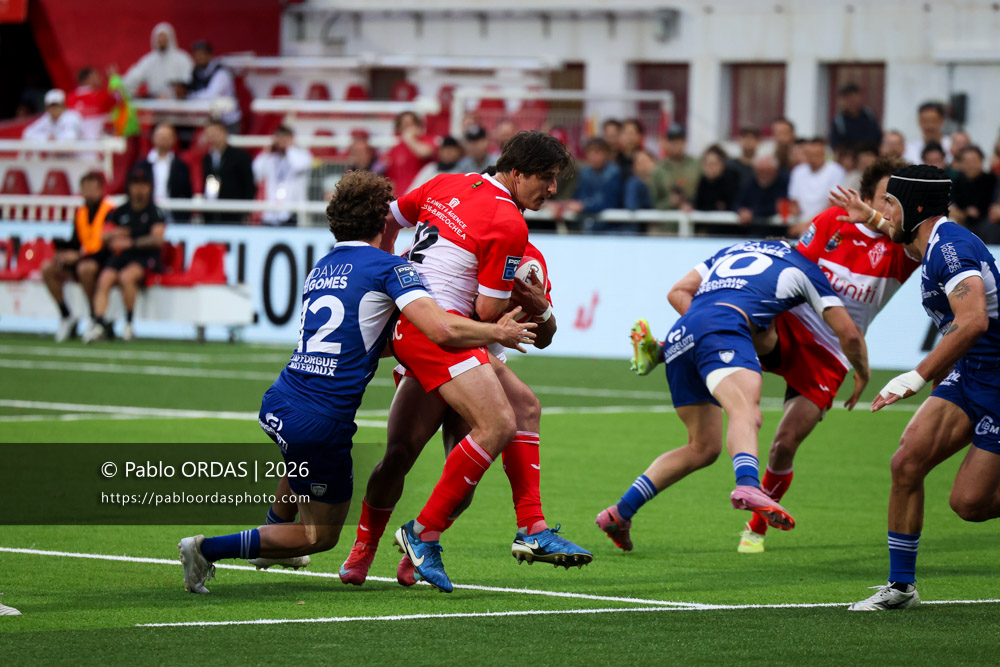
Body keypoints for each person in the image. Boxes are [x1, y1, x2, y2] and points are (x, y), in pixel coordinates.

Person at [177, 171, 535, 594]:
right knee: (320, 537)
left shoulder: (323, 266)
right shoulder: (390, 269)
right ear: (382, 222)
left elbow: (364, 338)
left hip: (280, 400)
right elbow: (440, 331)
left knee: (300, 461)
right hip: (320, 422)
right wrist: (498, 333)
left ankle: (273, 534)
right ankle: (206, 549)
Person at [372, 131, 572, 593]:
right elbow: (485, 313)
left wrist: (383, 275)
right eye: (546, 178)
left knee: (517, 416)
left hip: (448, 340)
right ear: (517, 173)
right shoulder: (508, 226)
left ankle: (526, 528)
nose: (553, 189)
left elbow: (390, 217)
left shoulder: (449, 185)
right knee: (427, 446)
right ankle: (402, 540)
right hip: (443, 338)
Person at [338, 238, 592, 587]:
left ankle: (422, 541)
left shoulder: (527, 260)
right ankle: (364, 547)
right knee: (398, 455)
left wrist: (543, 309)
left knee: (464, 489)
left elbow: (544, 336)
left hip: (480, 368)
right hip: (435, 357)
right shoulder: (447, 244)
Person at [596, 239, 869, 552]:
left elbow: (677, 292)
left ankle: (620, 513)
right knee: (746, 412)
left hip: (682, 333)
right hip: (725, 327)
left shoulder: (731, 251)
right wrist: (863, 370)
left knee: (702, 447)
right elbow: (848, 333)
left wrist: (701, 326)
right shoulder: (802, 266)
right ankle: (748, 485)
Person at [736, 156, 916, 553]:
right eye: (886, 197)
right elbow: (792, 269)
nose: (891, 206)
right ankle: (678, 356)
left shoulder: (900, 250)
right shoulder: (833, 220)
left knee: (784, 443)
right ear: (866, 194)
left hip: (834, 351)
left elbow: (916, 240)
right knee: (746, 319)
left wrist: (873, 218)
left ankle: (757, 525)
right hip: (791, 325)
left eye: (896, 200)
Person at [848, 164, 1000, 611]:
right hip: (971, 371)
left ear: (914, 207)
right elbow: (906, 240)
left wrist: (916, 376)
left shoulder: (951, 248)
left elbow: (974, 320)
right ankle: (900, 588)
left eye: (889, 204)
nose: (885, 212)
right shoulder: (931, 242)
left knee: (969, 504)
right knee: (907, 462)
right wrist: (872, 219)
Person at [83, 164, 165, 343]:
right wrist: (114, 235)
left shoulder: (155, 211)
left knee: (127, 277)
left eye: (143, 184)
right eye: (135, 184)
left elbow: (157, 238)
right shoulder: (120, 211)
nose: (139, 188)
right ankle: (98, 322)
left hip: (144, 257)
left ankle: (128, 323)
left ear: (150, 187)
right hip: (122, 256)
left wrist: (132, 242)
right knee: (105, 278)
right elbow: (104, 236)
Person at [41, 172, 114, 342]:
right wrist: (65, 252)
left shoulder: (109, 211)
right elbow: (76, 241)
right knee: (48, 268)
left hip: (102, 259)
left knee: (85, 269)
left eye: (92, 187)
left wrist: (78, 256)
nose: (88, 192)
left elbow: (107, 244)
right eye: (85, 188)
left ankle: (95, 317)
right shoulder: (81, 212)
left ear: (100, 189)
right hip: (84, 257)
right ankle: (66, 315)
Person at [251, 125, 313, 227]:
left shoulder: (302, 155)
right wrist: (267, 152)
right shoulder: (271, 158)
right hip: (271, 212)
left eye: (285, 138)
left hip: (292, 212)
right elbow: (257, 171)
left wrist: (289, 148)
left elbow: (298, 165)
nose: (281, 142)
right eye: (279, 138)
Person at [200, 120, 255, 223]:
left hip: (234, 212)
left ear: (225, 133)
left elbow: (249, 185)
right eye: (210, 134)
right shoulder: (207, 158)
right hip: (212, 212)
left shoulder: (240, 156)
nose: (213, 137)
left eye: (216, 133)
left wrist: (246, 211)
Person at [565, 137, 623, 231]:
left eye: (598, 152)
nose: (594, 156)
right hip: (586, 223)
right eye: (590, 152)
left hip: (609, 227)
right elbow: (579, 196)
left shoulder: (614, 173)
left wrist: (584, 205)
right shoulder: (584, 173)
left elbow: (609, 201)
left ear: (606, 154)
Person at [788, 137, 846, 231]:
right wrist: (797, 222)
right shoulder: (798, 171)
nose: (813, 157)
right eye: (809, 154)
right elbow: (794, 202)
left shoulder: (836, 170)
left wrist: (810, 225)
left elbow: (833, 204)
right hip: (802, 225)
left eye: (816, 154)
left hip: (826, 224)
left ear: (823, 153)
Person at [122, 23, 193, 99]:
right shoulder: (148, 61)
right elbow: (131, 80)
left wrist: (173, 94)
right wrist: (118, 83)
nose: (162, 40)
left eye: (164, 37)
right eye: (160, 37)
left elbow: (190, 83)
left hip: (180, 106)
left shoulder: (183, 59)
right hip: (156, 105)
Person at [184, 41, 241, 133]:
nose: (199, 58)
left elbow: (211, 96)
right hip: (208, 121)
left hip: (228, 122)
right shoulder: (196, 72)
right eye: (196, 55)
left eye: (202, 54)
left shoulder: (221, 72)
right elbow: (188, 90)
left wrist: (192, 96)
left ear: (210, 55)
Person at [143, 123, 193, 222]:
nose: (163, 139)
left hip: (173, 216)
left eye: (167, 136)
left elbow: (187, 192)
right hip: (147, 215)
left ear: (174, 139)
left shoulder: (181, 166)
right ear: (153, 138)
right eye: (161, 136)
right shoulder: (143, 165)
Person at [950, 145, 998, 238]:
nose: (971, 165)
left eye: (974, 161)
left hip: (988, 221)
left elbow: (995, 203)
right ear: (961, 163)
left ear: (981, 161)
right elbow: (953, 205)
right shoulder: (956, 182)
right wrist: (963, 212)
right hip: (964, 222)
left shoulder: (992, 180)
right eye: (967, 162)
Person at [649, 124, 699, 211]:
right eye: (672, 142)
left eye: (679, 141)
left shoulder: (696, 166)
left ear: (684, 142)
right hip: (667, 222)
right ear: (667, 143)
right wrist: (669, 202)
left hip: (691, 220)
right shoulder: (659, 170)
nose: (676, 145)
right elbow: (653, 203)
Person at [383, 111, 435, 195]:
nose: (409, 128)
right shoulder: (395, 147)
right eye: (406, 125)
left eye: (412, 124)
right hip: (401, 197)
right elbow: (391, 177)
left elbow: (425, 153)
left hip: (421, 195)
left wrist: (410, 139)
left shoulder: (426, 140)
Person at [734, 154, 789, 226]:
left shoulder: (785, 182)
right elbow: (737, 202)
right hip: (752, 230)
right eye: (760, 171)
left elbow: (781, 207)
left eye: (767, 171)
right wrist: (741, 210)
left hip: (777, 230)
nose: (763, 175)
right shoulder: (750, 182)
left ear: (776, 170)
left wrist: (753, 213)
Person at [829, 82, 883, 153]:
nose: (852, 102)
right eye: (848, 99)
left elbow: (878, 137)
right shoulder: (839, 121)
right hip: (849, 159)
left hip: (870, 155)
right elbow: (835, 145)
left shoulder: (869, 116)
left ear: (860, 98)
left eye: (854, 98)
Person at [66, 67, 115, 141]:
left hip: (74, 146)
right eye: (97, 75)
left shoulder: (69, 98)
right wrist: (114, 79)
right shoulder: (100, 97)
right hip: (95, 145)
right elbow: (120, 98)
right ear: (89, 78)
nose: (100, 78)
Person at [693, 144, 742, 212]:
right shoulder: (703, 182)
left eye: (712, 164)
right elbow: (698, 205)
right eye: (706, 164)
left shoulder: (731, 180)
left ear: (722, 164)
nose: (709, 168)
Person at [616, 118, 646, 183]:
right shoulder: (614, 159)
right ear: (619, 136)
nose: (629, 137)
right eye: (626, 133)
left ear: (640, 136)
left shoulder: (646, 158)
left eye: (632, 133)